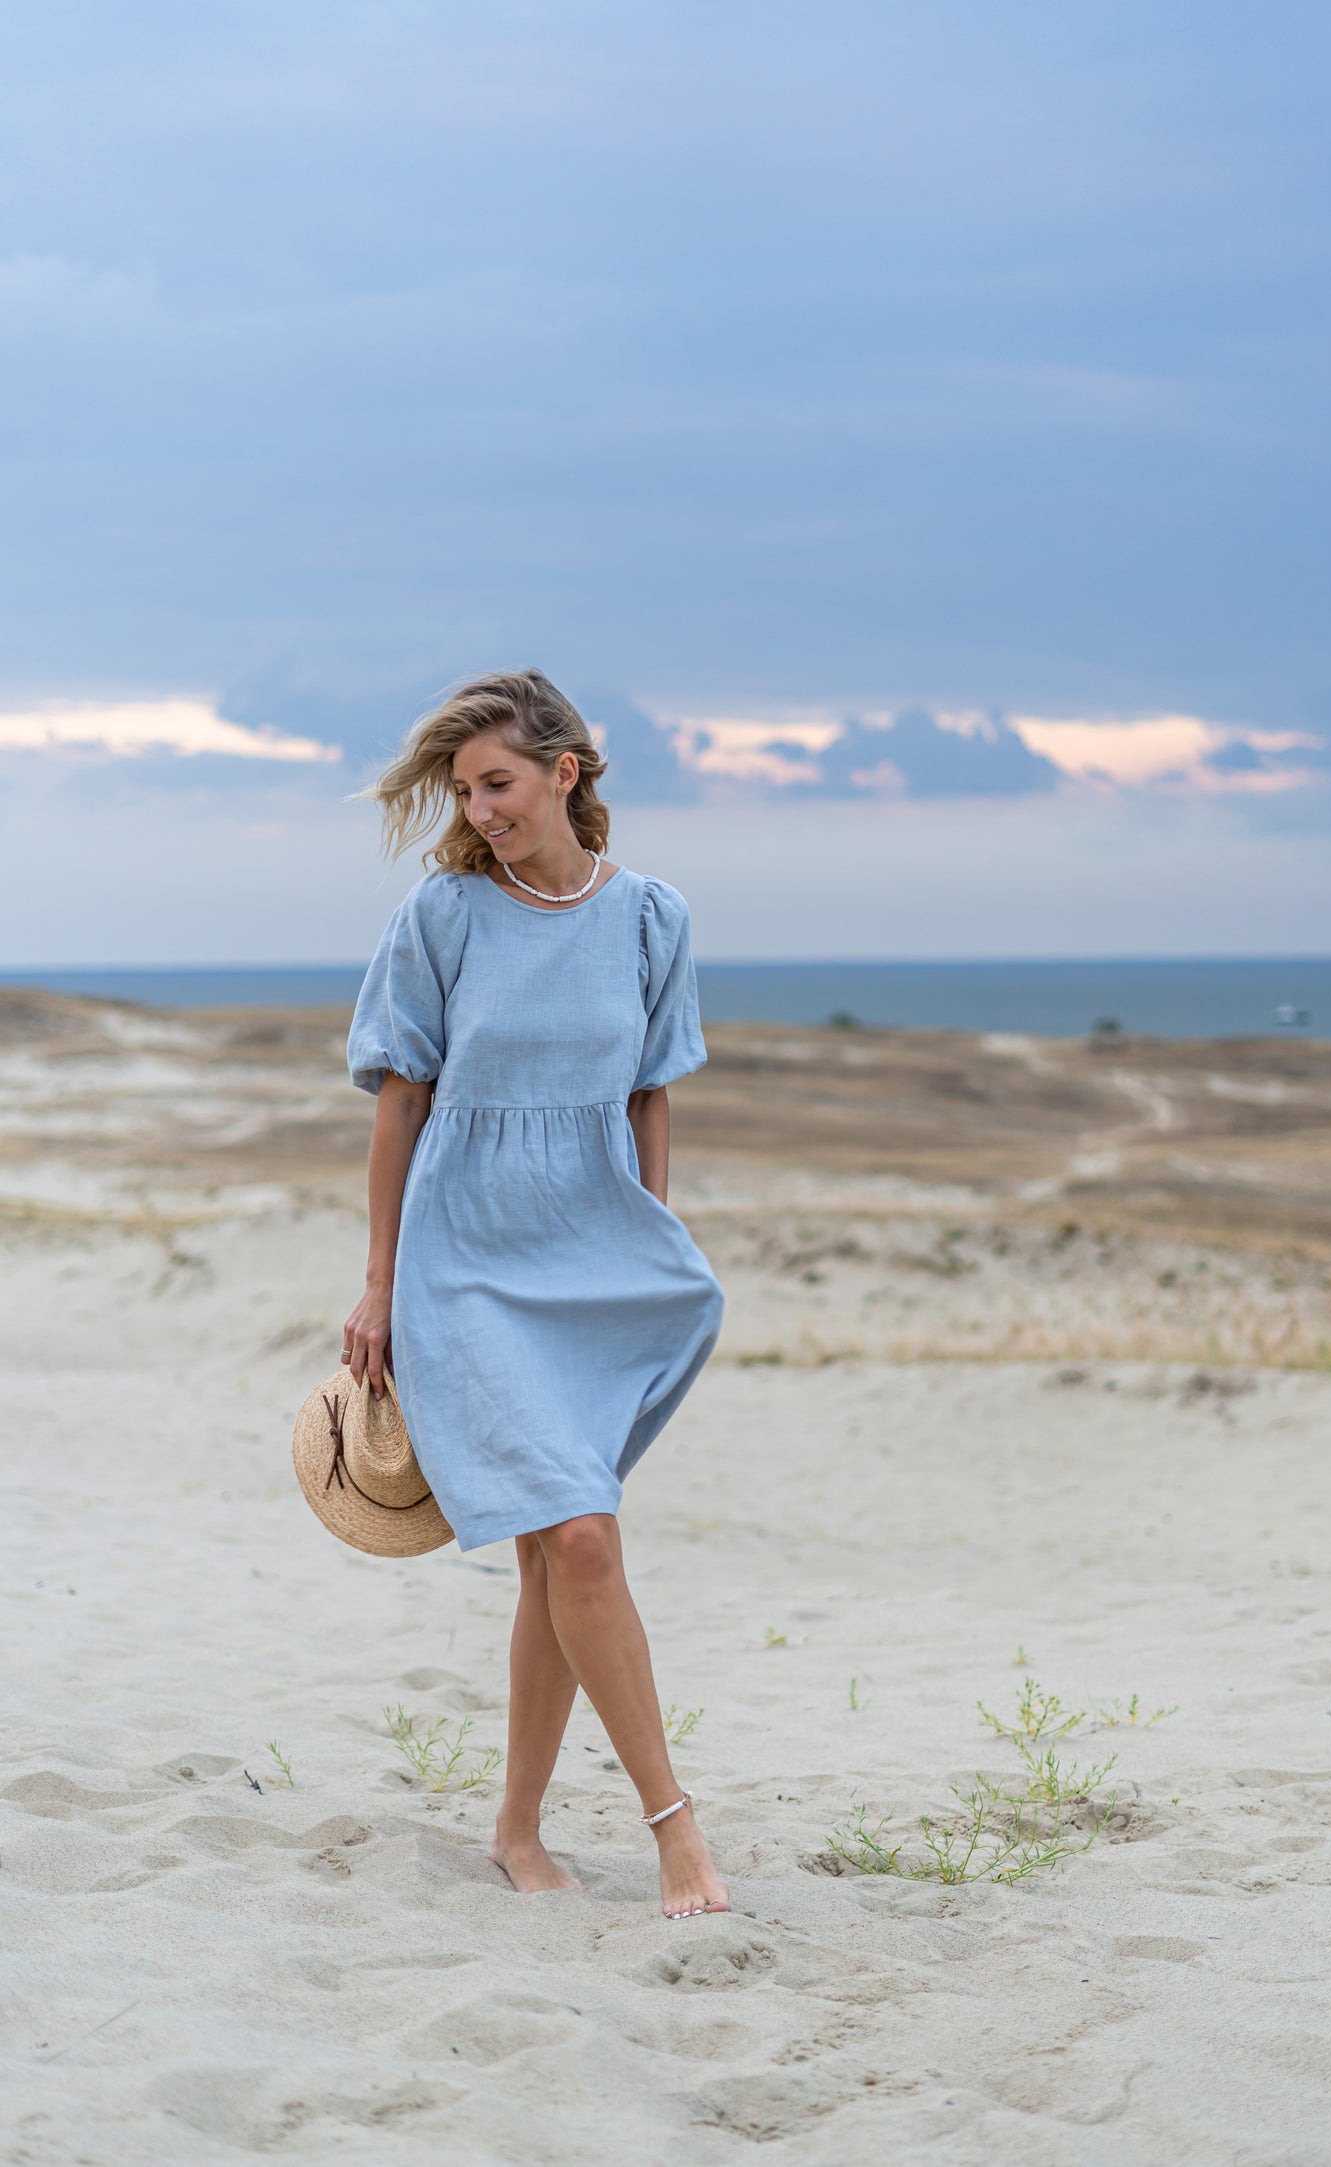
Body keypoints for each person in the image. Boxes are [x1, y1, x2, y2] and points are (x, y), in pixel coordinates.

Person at [342, 669, 729, 1920]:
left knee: (552, 1556)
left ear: (565, 772)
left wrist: (649, 1227)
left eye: (496, 782)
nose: (479, 807)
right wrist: (378, 1283)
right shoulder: (445, 915)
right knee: (577, 1535)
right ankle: (677, 1831)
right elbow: (401, 1099)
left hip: (595, 1255)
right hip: (465, 1263)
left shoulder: (651, 918)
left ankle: (516, 1827)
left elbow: (649, 1087)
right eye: (463, 790)